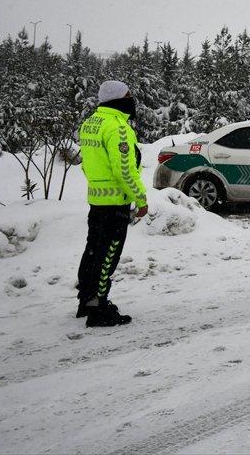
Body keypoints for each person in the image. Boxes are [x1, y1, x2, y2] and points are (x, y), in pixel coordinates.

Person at [76, 80, 148, 327]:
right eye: (129, 95)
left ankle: (86, 300)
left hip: (97, 200)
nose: (132, 100)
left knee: (93, 251)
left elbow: (86, 164)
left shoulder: (91, 123)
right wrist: (141, 198)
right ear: (118, 99)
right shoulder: (118, 128)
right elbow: (125, 171)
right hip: (115, 202)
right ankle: (99, 308)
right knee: (107, 256)